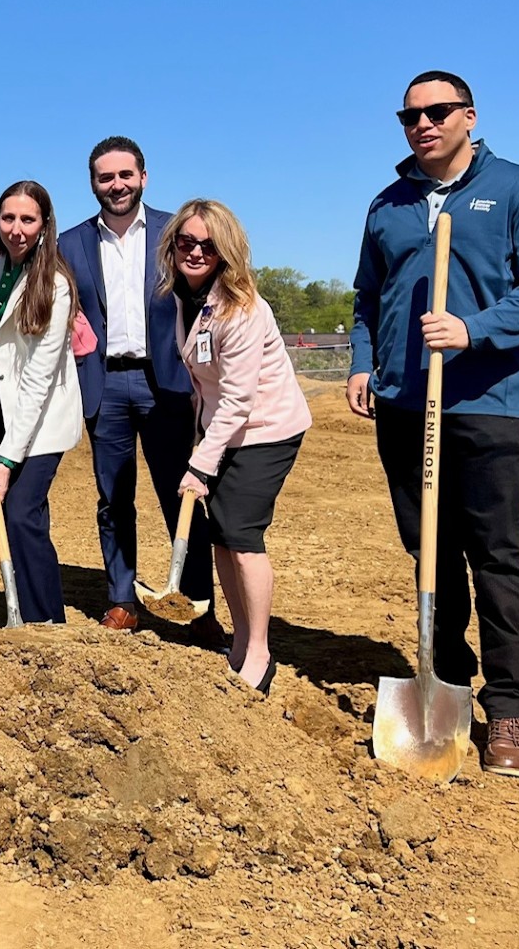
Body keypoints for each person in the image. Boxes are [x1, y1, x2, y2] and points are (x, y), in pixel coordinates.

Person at [348, 70, 519, 777]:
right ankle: (444, 681)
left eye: (437, 111)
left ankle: (510, 709)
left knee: (495, 554)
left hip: (487, 404)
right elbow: (366, 296)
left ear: (468, 116)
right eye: (410, 114)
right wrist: (363, 363)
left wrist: (473, 331)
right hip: (405, 404)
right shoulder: (389, 204)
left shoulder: (518, 189)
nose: (423, 123)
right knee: (430, 552)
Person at [55, 137, 219, 641]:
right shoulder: (69, 243)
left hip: (167, 383)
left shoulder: (179, 233)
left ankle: (196, 604)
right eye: (106, 177)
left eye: (125, 175)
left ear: (143, 178)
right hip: (105, 384)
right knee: (113, 498)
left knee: (183, 496)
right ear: (93, 184)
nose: (116, 185)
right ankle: (122, 599)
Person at [162, 200, 312, 693]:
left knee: (242, 536)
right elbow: (205, 385)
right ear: (174, 247)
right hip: (225, 431)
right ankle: (242, 640)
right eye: (187, 242)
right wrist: (203, 443)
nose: (197, 252)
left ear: (226, 251)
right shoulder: (185, 299)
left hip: (267, 429)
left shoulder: (242, 307)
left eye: (209, 245)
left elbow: (240, 397)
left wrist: (199, 466)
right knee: (222, 533)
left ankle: (261, 653)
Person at [0, 182, 83, 624]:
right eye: (8, 218)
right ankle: (32, 609)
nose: (16, 229)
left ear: (44, 225)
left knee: (21, 511)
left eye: (27, 220)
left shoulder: (56, 285)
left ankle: (46, 617)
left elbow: (38, 380)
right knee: (23, 513)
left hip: (42, 415)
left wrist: (8, 460)